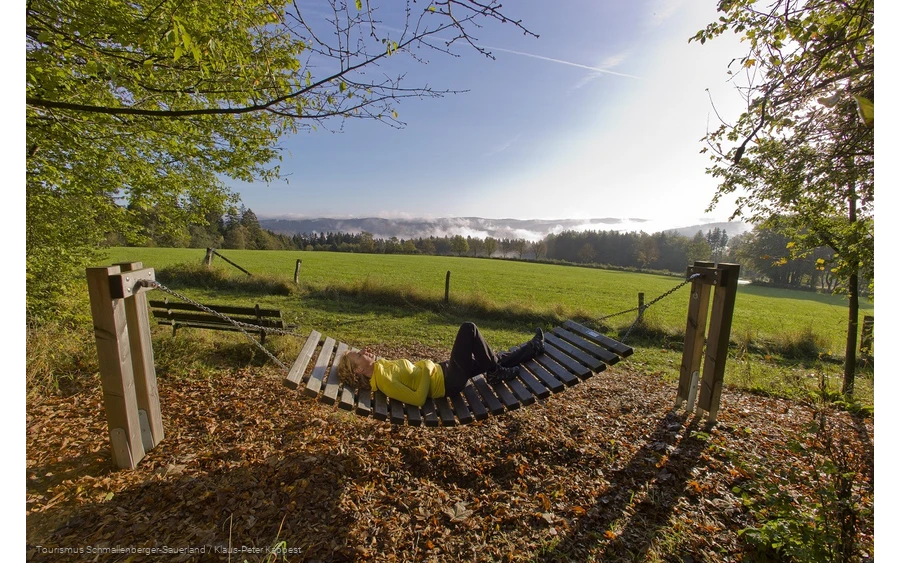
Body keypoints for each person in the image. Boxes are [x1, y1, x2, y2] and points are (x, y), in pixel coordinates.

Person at [336, 322, 545, 407]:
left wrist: (426, 368)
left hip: (445, 371)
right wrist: (426, 368)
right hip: (448, 381)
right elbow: (418, 399)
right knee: (468, 329)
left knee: (491, 357)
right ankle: (494, 372)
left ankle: (532, 347)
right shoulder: (384, 382)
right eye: (358, 355)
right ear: (359, 369)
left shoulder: (381, 367)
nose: (364, 351)